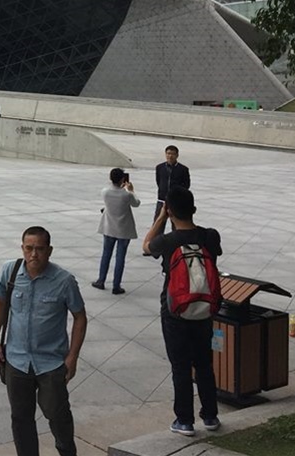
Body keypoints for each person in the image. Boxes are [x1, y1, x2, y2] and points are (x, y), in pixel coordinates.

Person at [0, 226, 87, 456]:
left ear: (49, 250)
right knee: (21, 418)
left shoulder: (64, 281)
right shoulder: (10, 272)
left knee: (57, 414)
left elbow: (80, 317)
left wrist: (72, 357)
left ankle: (66, 450)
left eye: (40, 249)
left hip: (51, 363)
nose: (34, 254)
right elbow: (0, 304)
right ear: (22, 248)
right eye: (29, 248)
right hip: (16, 360)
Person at [143, 186, 222, 437]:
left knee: (180, 365)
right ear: (194, 209)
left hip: (175, 311)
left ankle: (184, 421)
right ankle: (210, 416)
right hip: (204, 309)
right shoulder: (210, 236)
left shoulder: (167, 241)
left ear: (170, 211)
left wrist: (161, 218)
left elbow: (146, 246)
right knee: (204, 363)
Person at [92, 168, 140, 294]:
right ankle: (116, 285)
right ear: (123, 179)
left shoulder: (105, 192)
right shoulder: (126, 195)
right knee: (120, 257)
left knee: (106, 254)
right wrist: (131, 190)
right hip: (124, 229)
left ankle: (101, 280)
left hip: (109, 227)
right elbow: (136, 203)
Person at [154, 145, 190, 222]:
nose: (170, 156)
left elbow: (186, 185)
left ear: (177, 155)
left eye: (173, 154)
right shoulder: (160, 167)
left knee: (177, 224)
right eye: (168, 153)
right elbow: (158, 181)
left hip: (176, 201)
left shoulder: (183, 169)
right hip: (162, 200)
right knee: (158, 223)